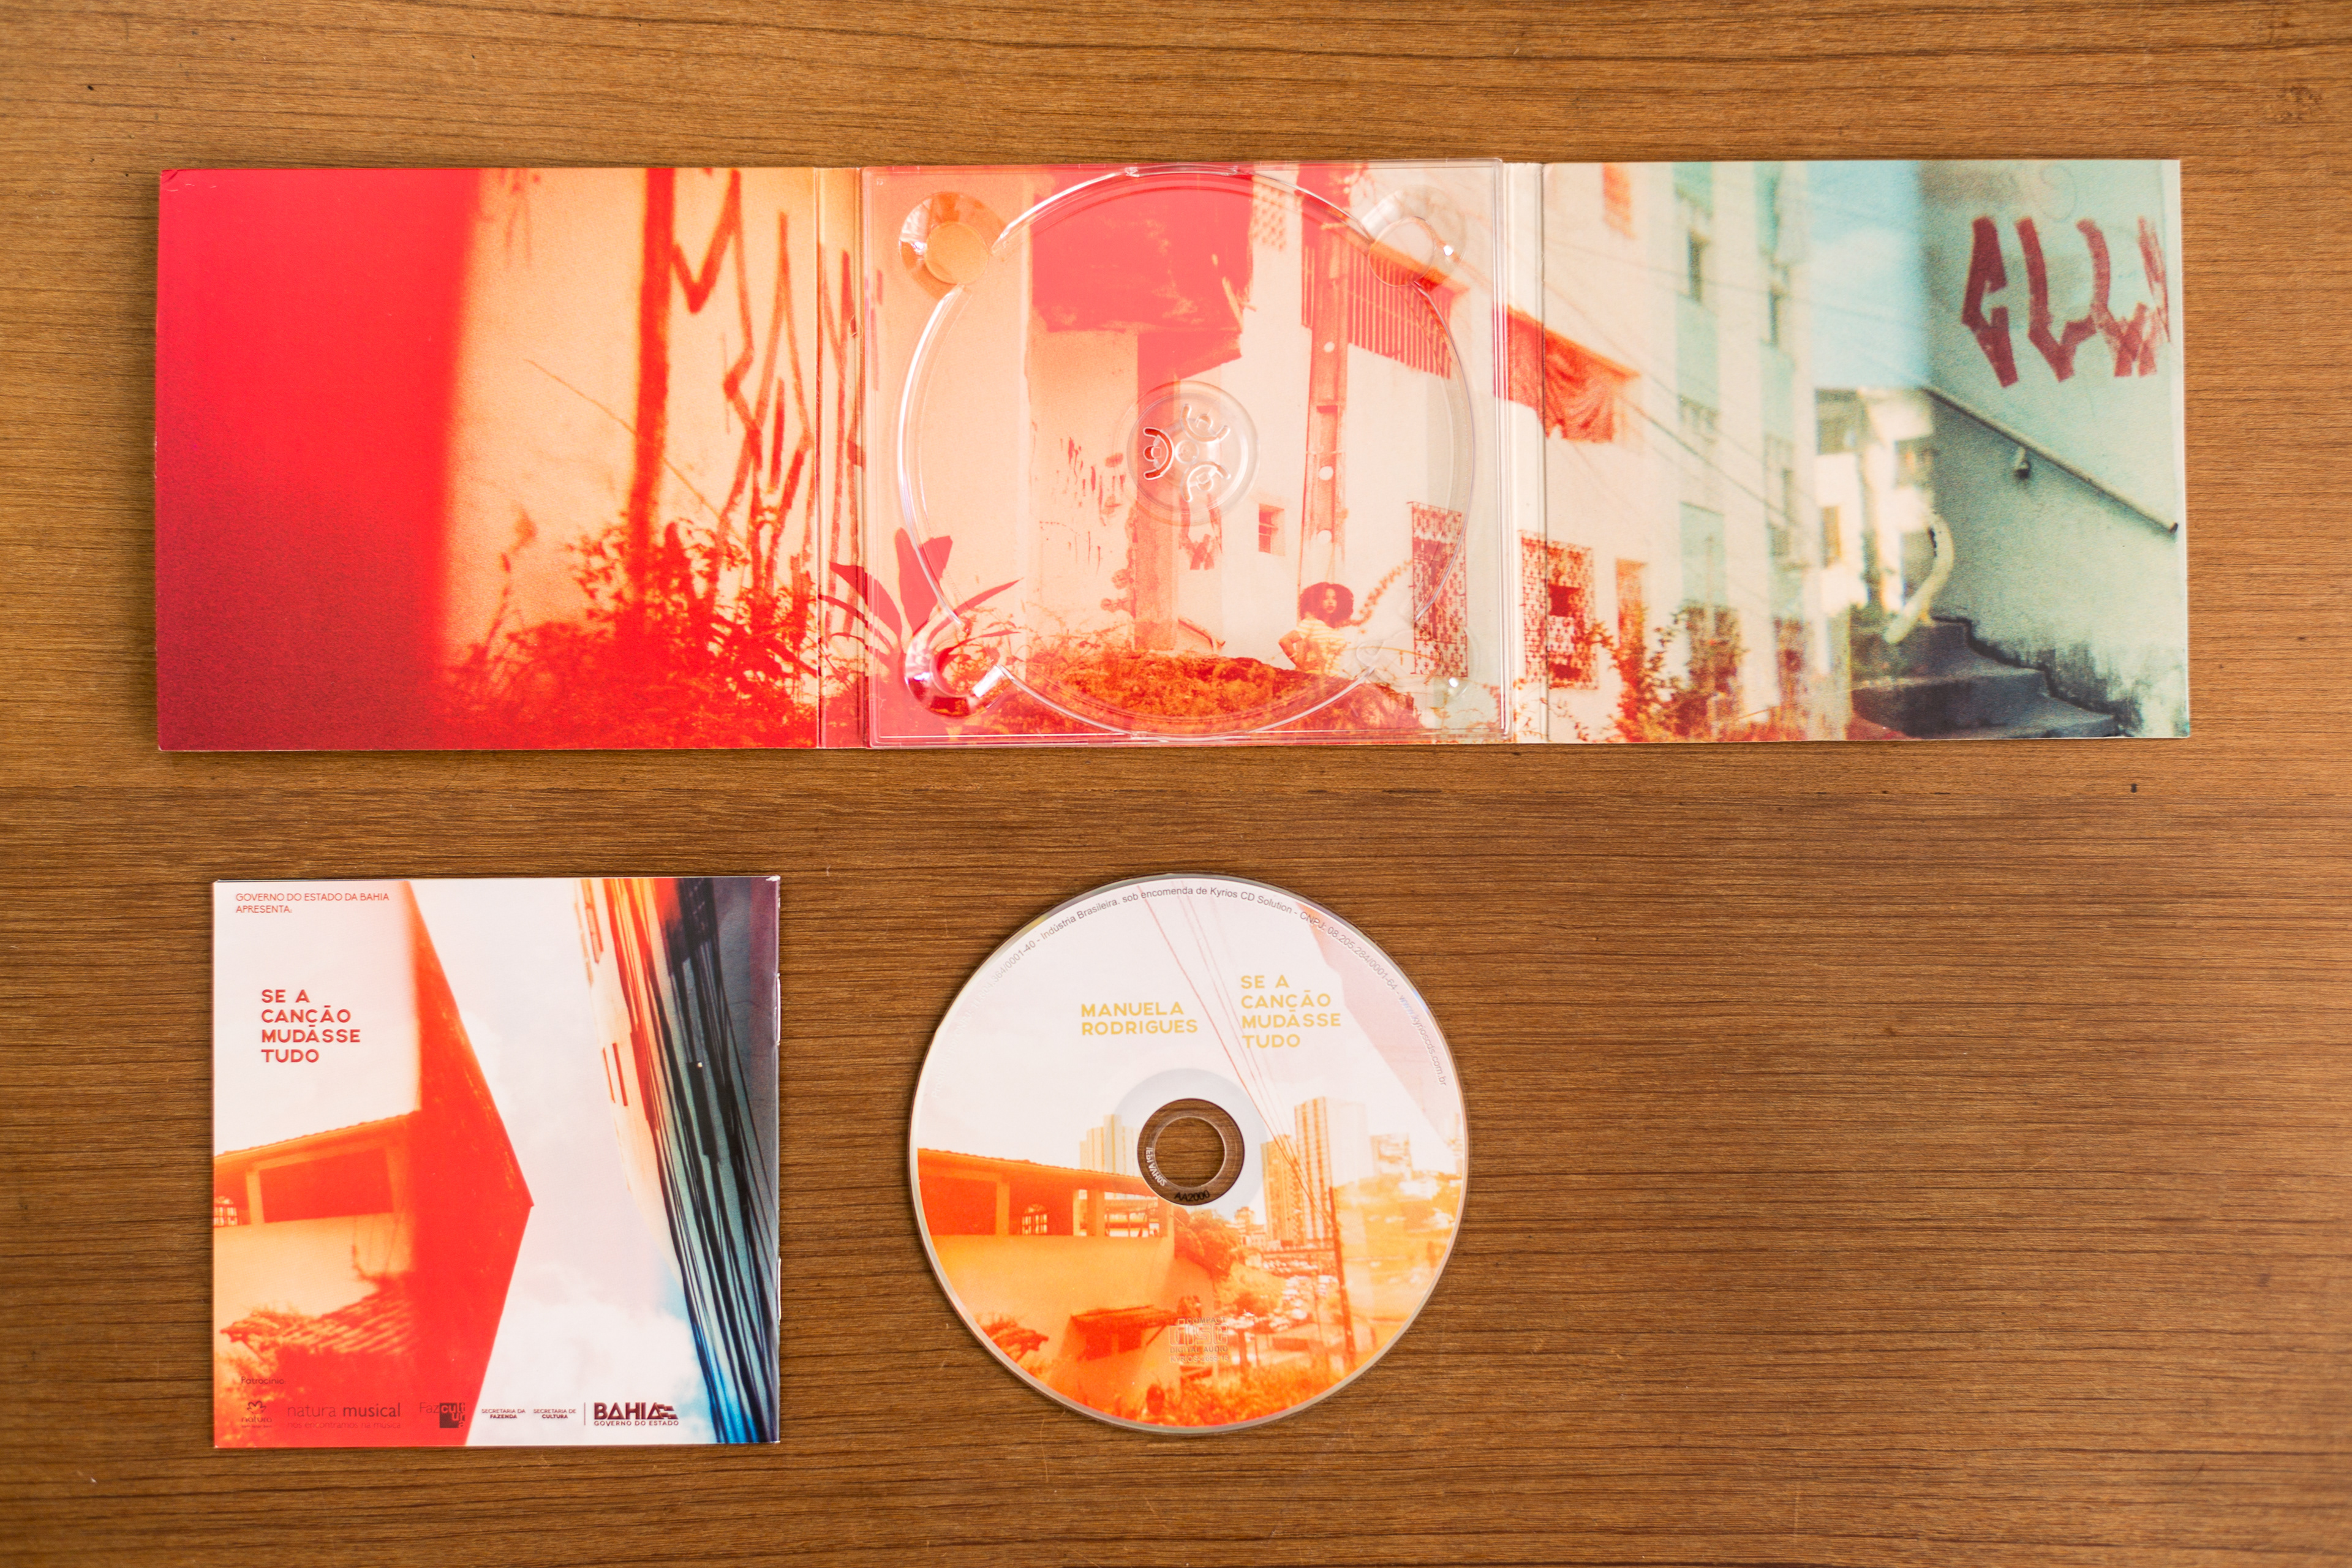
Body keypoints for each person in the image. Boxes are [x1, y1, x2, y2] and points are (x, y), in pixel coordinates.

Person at [1279, 581, 1356, 674]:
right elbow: (1284, 641)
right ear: (1317, 601)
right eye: (1325, 598)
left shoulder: (1336, 631)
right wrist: (1301, 664)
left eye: (1334, 598)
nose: (1331, 602)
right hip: (1313, 677)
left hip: (1331, 679)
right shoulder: (1311, 623)